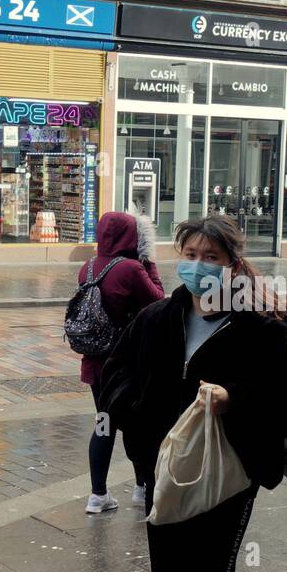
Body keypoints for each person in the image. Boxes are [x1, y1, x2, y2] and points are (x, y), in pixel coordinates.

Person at [99, 215, 287, 572]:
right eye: (189, 253)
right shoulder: (156, 318)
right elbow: (116, 373)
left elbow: (283, 405)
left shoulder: (260, 327)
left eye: (210, 256)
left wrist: (235, 401)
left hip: (228, 474)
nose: (197, 265)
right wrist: (136, 416)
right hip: (164, 472)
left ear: (233, 263)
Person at [76, 210, 165, 514]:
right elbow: (158, 300)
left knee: (104, 423)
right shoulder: (130, 269)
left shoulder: (87, 267)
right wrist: (149, 261)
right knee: (138, 424)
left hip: (95, 362)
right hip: (127, 363)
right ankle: (142, 488)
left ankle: (97, 494)